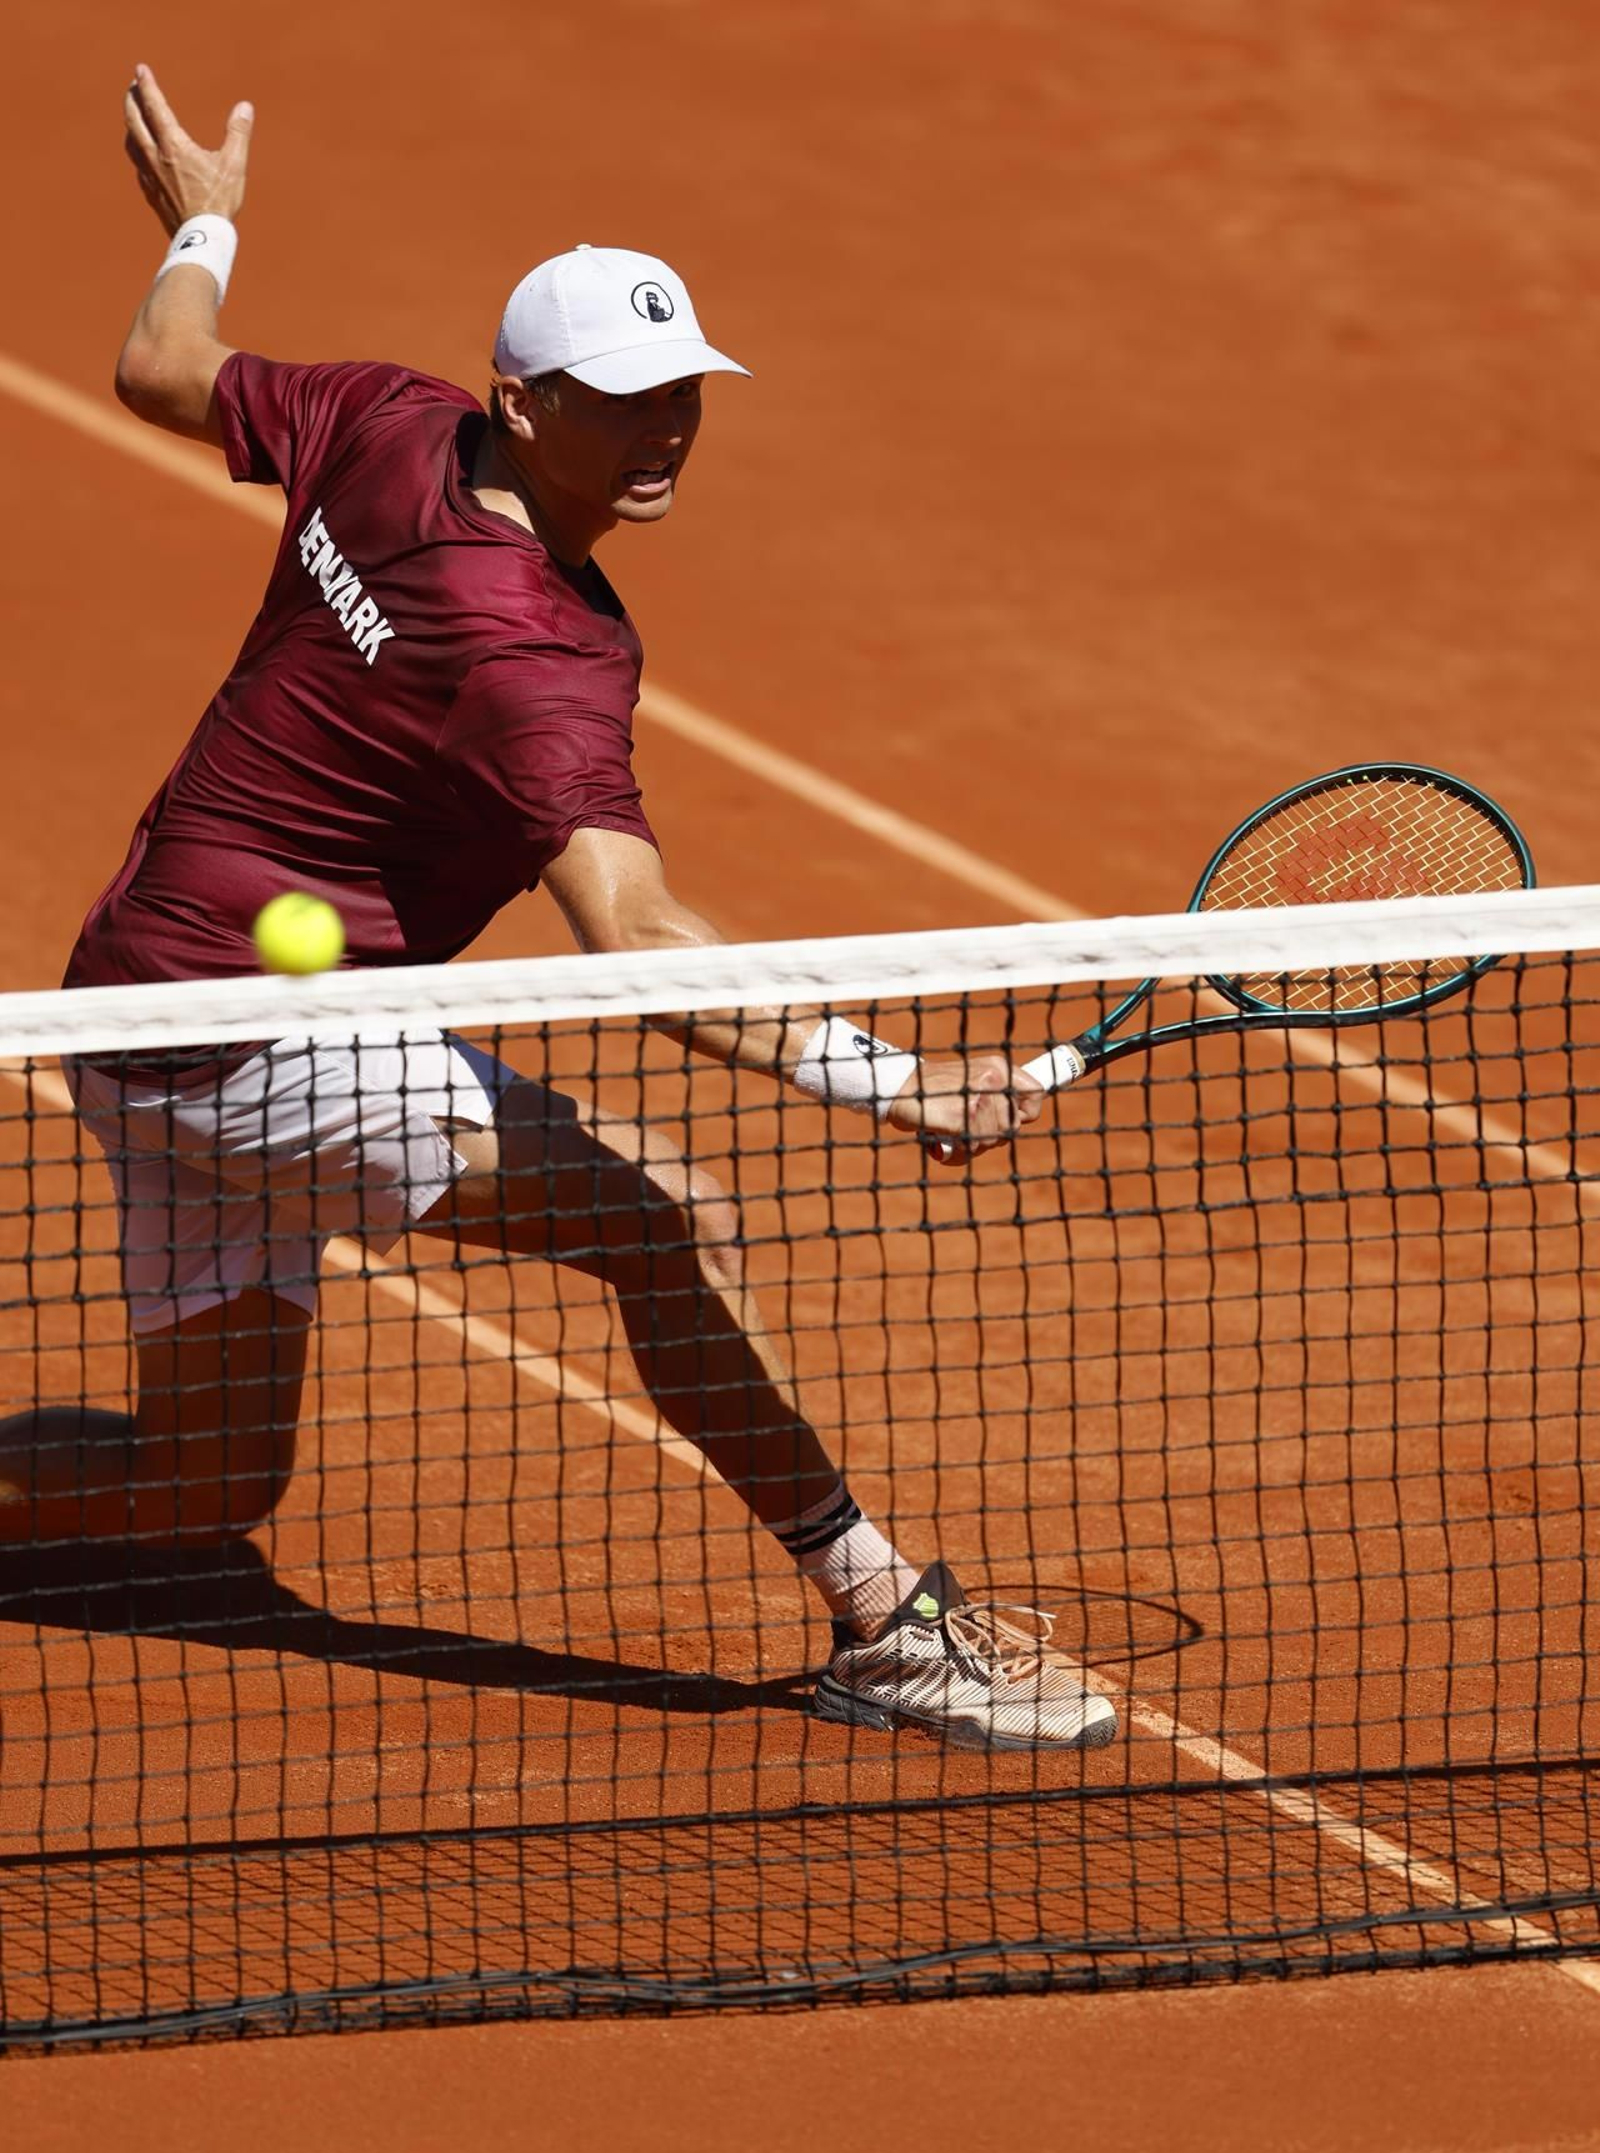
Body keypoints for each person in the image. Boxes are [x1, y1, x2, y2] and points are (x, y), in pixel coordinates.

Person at [15, 65, 1115, 1755]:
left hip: (131, 997)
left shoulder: (385, 420)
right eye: (621, 400)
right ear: (523, 405)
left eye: (681, 393)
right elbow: (642, 943)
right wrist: (895, 1081)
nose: (663, 430)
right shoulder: (538, 655)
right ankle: (888, 1625)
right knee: (661, 1220)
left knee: (200, 1485)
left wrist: (206, 228)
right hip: (259, 1035)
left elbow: (162, 368)